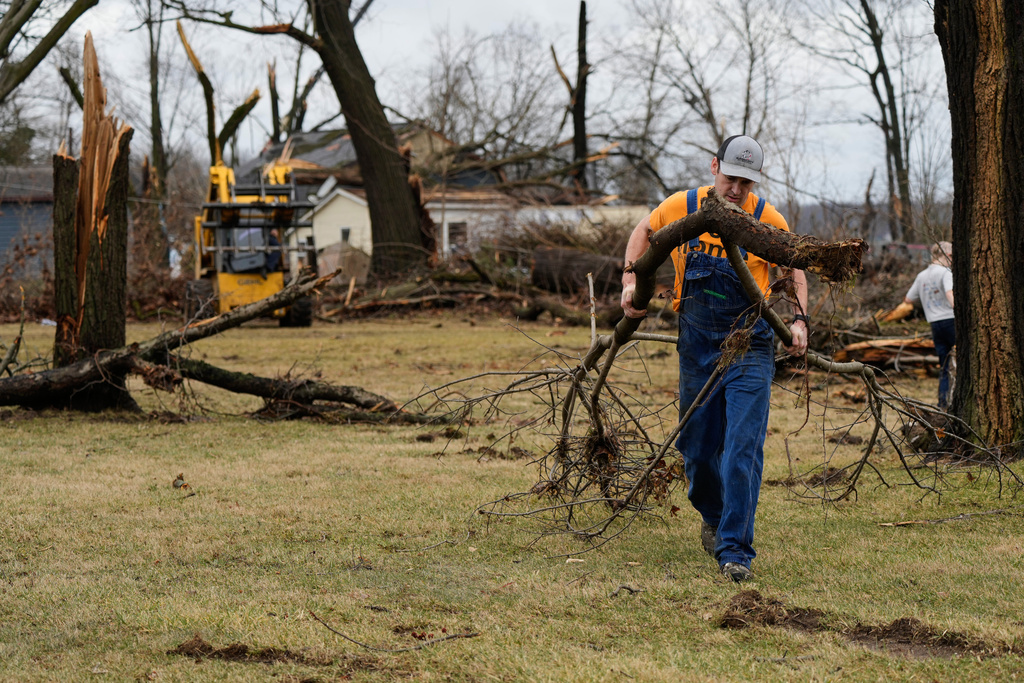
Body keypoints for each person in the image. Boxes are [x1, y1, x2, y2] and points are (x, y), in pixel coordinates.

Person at [620, 135, 808, 583]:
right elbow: (643, 232)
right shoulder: (683, 205)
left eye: (746, 181)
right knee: (698, 451)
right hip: (697, 343)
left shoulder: (766, 219)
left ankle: (735, 550)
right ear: (713, 167)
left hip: (751, 344)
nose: (737, 189)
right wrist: (630, 283)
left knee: (743, 447)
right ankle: (714, 513)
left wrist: (799, 320)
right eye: (730, 177)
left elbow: (793, 267)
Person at [904, 241, 955, 409]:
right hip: (951, 321)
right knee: (961, 362)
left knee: (945, 365)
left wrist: (929, 303)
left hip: (934, 323)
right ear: (947, 255)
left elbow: (908, 299)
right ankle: (955, 401)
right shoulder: (946, 272)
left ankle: (943, 403)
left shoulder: (922, 276)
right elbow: (950, 294)